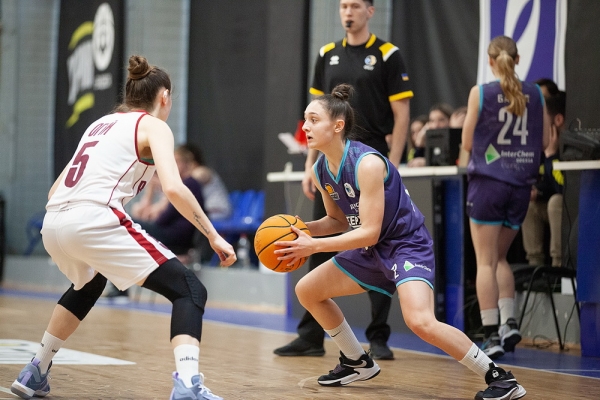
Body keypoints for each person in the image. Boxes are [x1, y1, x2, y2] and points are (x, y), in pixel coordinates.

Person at [275, 83, 526, 399]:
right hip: (372, 249)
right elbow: (338, 221)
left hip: (406, 245)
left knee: (420, 321)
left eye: (313, 120)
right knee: (307, 290)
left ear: (337, 126)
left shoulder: (367, 164)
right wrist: (300, 229)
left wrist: (313, 246)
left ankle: (500, 379)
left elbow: (369, 231)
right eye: (305, 119)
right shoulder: (321, 168)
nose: (305, 127)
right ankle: (355, 361)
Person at [10, 55, 236, 400]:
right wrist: (213, 234)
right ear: (164, 97)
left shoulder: (99, 124)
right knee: (190, 290)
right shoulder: (153, 126)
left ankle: (35, 370)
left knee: (89, 284)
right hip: (92, 218)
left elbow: (54, 190)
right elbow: (175, 188)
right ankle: (188, 385)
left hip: (54, 222)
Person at [273, 0, 413, 361]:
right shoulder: (327, 54)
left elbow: (402, 115)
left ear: (370, 11)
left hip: (371, 158)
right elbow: (313, 116)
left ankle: (378, 337)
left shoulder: (387, 54)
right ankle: (310, 335)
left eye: (354, 6)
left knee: (375, 240)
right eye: (343, 6)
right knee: (318, 238)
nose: (347, 12)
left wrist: (394, 164)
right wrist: (310, 163)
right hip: (330, 160)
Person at [462, 35, 549, 361]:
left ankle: (491, 335)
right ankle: (510, 322)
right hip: (520, 187)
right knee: (500, 258)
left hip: (489, 184)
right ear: (517, 59)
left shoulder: (481, 93)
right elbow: (544, 141)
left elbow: (467, 142)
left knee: (485, 261)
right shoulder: (536, 93)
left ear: (490, 61)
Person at [522, 91, 566, 267]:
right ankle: (535, 267)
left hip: (571, 211)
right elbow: (547, 183)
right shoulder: (541, 144)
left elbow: (563, 188)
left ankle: (559, 267)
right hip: (549, 208)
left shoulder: (568, 146)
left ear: (558, 120)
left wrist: (552, 156)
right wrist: (537, 191)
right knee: (529, 204)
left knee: (556, 201)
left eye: (541, 119)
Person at [407, 103, 453, 167]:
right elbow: (415, 163)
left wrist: (426, 162)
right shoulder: (430, 141)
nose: (436, 125)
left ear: (450, 120)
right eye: (432, 121)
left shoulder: (454, 139)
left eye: (441, 120)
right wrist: (420, 142)